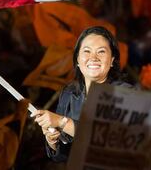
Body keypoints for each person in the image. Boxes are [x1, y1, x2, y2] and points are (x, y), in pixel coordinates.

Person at [31, 26, 127, 162]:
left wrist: (62, 121)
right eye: (86, 51)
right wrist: (52, 139)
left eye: (101, 52)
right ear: (77, 59)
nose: (93, 58)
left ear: (111, 60)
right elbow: (63, 156)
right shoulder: (69, 93)